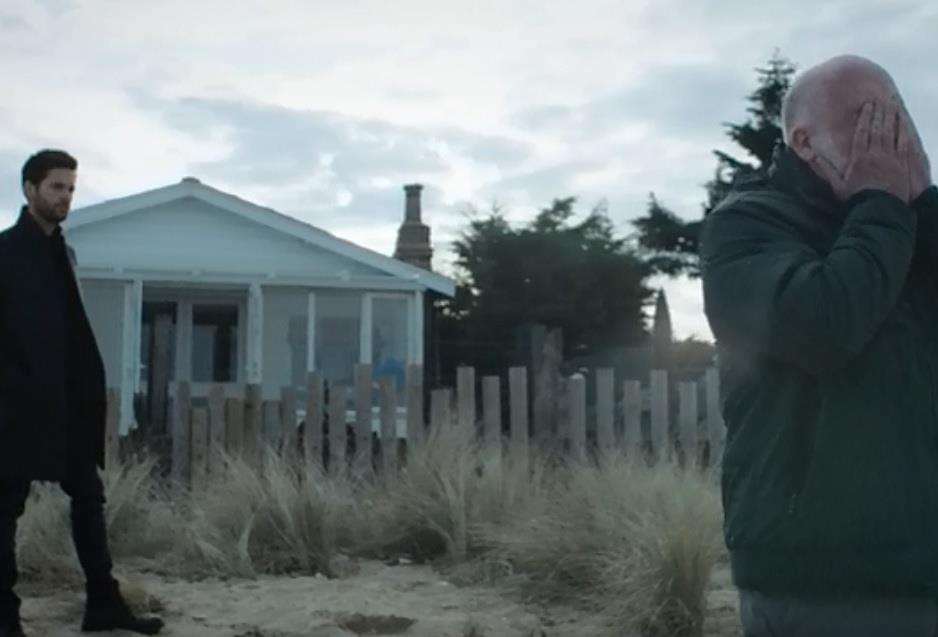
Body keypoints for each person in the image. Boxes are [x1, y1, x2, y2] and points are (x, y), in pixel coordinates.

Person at [700, 54, 938, 636]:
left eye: (896, 118)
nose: (889, 137)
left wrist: (922, 204)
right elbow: (825, 325)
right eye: (866, 121)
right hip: (817, 579)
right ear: (804, 142)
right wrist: (882, 204)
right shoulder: (746, 227)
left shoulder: (908, 226)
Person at [0, 150, 164, 636]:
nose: (65, 197)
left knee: (89, 496)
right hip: (16, 406)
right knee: (5, 507)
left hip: (67, 404)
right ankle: (5, 617)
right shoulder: (6, 254)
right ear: (30, 190)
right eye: (56, 187)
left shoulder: (63, 254)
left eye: (71, 188)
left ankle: (103, 604)